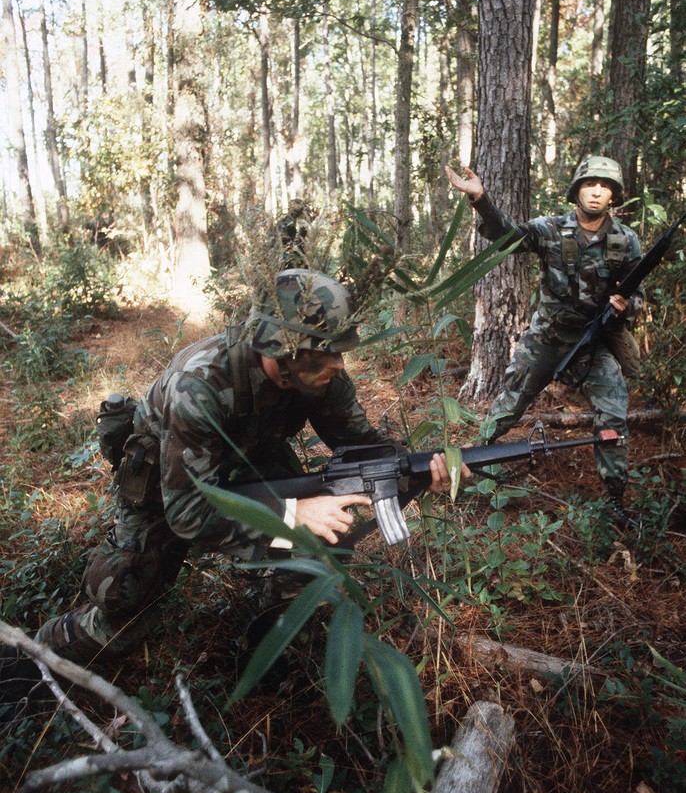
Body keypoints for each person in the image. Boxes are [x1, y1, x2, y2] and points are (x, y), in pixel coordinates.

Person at [0, 270, 454, 705]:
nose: (340, 363)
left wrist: (418, 471)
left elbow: (364, 445)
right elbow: (189, 515)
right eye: (327, 351)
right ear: (282, 350)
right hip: (170, 487)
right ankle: (27, 654)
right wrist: (293, 515)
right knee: (125, 617)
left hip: (249, 461)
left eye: (340, 350)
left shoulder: (320, 373)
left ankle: (268, 647)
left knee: (317, 541)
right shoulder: (199, 386)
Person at [445, 156, 644, 527]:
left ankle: (616, 502)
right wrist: (481, 200)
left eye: (605, 186)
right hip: (548, 338)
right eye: (590, 184)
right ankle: (468, 474)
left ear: (614, 194)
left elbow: (639, 294)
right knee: (508, 406)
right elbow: (506, 237)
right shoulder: (550, 229)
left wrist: (625, 306)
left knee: (613, 416)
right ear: (577, 190)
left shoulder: (626, 240)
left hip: (595, 342)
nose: (597, 191)